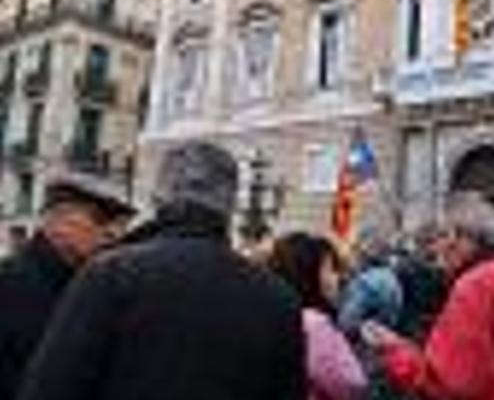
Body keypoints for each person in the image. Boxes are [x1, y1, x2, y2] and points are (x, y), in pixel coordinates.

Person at [17, 141, 306, 400]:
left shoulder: (110, 275)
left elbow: (50, 388)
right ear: (230, 206)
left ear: (158, 198)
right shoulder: (279, 300)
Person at [363, 191, 494, 400]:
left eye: (443, 235)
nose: (439, 247)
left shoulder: (473, 287)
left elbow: (450, 383)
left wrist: (395, 350)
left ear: (460, 238)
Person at [0, 170, 135, 399]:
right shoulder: (9, 283)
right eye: (100, 219)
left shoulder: (95, 285)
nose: (113, 233)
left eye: (120, 224)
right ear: (57, 221)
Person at [266, 232, 366, 400]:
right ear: (308, 273)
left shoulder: (272, 314)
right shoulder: (314, 325)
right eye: (331, 269)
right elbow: (351, 384)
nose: (338, 278)